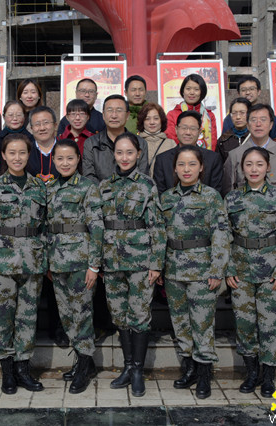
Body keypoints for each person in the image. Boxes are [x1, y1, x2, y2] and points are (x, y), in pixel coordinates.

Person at [225, 147, 276, 398]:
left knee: (270, 325)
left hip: (270, 272)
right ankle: (252, 372)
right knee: (245, 324)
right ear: (241, 168)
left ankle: (268, 376)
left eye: (259, 164)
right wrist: (229, 268)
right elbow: (224, 236)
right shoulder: (231, 199)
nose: (254, 169)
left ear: (268, 168)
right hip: (241, 271)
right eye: (248, 164)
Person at [160, 145, 230, 399]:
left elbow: (221, 234)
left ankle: (204, 374)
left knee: (202, 323)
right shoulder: (166, 198)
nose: (186, 169)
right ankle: (189, 368)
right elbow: (159, 235)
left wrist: (217, 270)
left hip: (202, 271)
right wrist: (159, 266)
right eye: (181, 164)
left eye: (192, 164)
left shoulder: (211, 197)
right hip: (173, 270)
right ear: (175, 168)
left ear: (201, 167)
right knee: (180, 323)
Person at [99, 132, 166, 398]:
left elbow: (157, 225)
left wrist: (156, 263)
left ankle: (138, 370)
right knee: (119, 315)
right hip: (112, 261)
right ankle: (127, 367)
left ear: (138, 155)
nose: (124, 157)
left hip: (140, 261)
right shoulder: (104, 186)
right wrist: (98, 261)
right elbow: (98, 226)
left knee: (139, 315)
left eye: (129, 152)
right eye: (119, 152)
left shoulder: (147, 185)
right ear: (113, 155)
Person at [0, 134, 47, 395]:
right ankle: (7, 372)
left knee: (27, 317)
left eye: (22, 152)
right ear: (3, 155)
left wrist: (45, 257)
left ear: (29, 155)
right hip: (1, 262)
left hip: (32, 261)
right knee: (2, 318)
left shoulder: (39, 186)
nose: (17, 157)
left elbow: (45, 225)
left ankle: (23, 369)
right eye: (12, 153)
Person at [46, 139, 104, 394]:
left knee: (82, 314)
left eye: (70, 158)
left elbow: (97, 227)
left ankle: (84, 365)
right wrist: (47, 261)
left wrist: (94, 265)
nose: (65, 163)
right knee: (67, 315)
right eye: (60, 158)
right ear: (53, 161)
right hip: (57, 262)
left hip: (81, 261)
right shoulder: (50, 188)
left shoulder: (88, 187)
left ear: (78, 159)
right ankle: (84, 362)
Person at [222, 104, 276, 201]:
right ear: (248, 125)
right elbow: (228, 190)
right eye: (253, 120)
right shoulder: (235, 155)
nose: (258, 124)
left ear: (271, 125)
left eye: (263, 119)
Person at [82, 95, 150, 183]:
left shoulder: (140, 143)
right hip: (99, 191)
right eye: (110, 110)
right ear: (103, 115)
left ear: (127, 115)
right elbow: (89, 177)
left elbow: (142, 176)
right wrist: (106, 190)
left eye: (119, 110)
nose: (114, 115)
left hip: (133, 191)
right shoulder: (91, 143)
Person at [154, 111, 223, 194]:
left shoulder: (212, 158)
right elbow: (159, 193)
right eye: (184, 128)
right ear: (176, 129)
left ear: (199, 131)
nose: (188, 132)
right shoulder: (162, 159)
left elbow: (216, 192)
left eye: (193, 129)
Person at [166, 74, 217, 149]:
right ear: (183, 91)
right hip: (179, 154)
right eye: (188, 89)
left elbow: (213, 142)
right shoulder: (172, 114)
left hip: (204, 155)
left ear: (202, 92)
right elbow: (171, 141)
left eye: (196, 89)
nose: (192, 92)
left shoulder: (210, 116)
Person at [136, 102, 177, 177]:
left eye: (156, 118)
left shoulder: (171, 144)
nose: (152, 122)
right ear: (142, 121)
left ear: (161, 120)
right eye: (147, 119)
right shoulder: (136, 142)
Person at [26, 106, 59, 183]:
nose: (42, 128)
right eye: (37, 124)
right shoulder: (26, 151)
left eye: (46, 123)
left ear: (55, 125)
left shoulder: (66, 149)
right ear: (31, 128)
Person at [216, 98, 251, 163]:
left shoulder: (255, 137)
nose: (238, 117)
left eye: (242, 113)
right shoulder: (223, 140)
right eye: (234, 113)